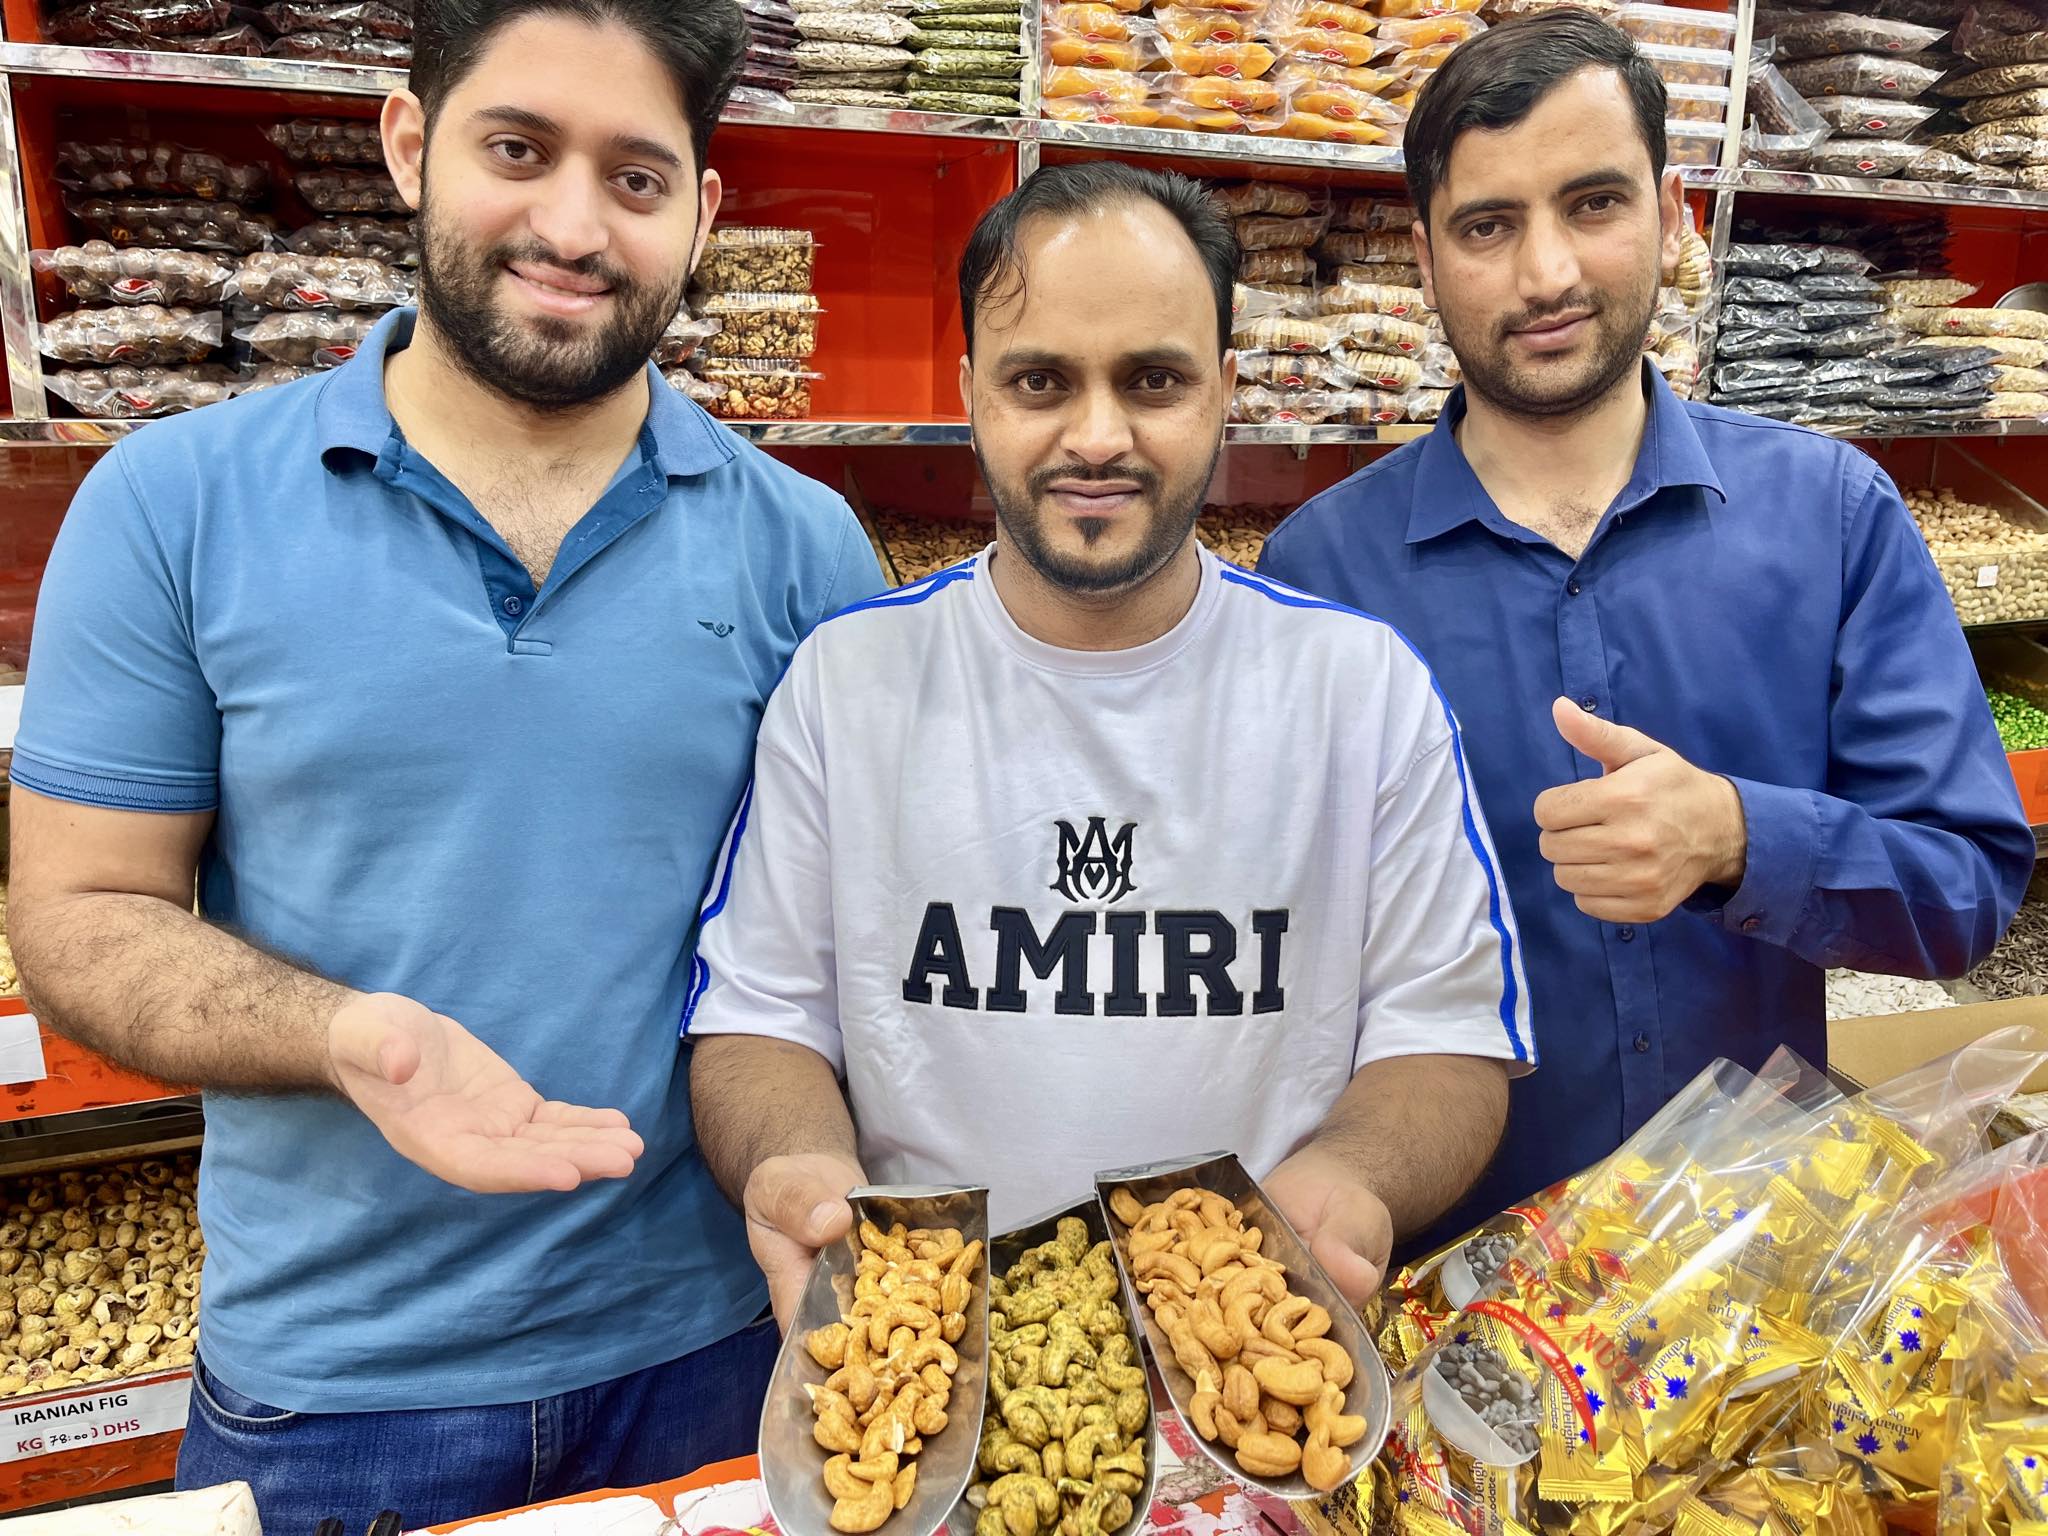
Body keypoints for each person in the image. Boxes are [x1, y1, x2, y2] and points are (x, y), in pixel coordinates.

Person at [6, 0, 884, 1525]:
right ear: (410, 146)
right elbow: (83, 915)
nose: (574, 227)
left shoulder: (806, 548)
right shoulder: (172, 504)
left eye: (634, 177)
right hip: (335, 1400)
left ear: (702, 212)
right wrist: (346, 1035)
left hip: (719, 1347)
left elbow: (844, 949)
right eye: (518, 150)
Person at [685, 162, 1535, 1328]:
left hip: (1241, 1338)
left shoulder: (1360, 689)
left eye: (1152, 381)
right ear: (970, 392)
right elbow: (759, 1018)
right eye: (1039, 381)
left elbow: (1445, 1038)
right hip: (933, 1342)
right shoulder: (848, 681)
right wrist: (796, 1163)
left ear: (1225, 390)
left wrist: (1351, 1179)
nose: (1096, 437)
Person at [1257, 8, 2034, 1249]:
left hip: (1748, 1278)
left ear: (1672, 216)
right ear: (1423, 259)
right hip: (1443, 1270)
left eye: (1593, 204)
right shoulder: (1321, 574)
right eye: (1486, 225)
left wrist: (1736, 836)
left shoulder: (1829, 517)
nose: (1545, 274)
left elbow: (1965, 890)